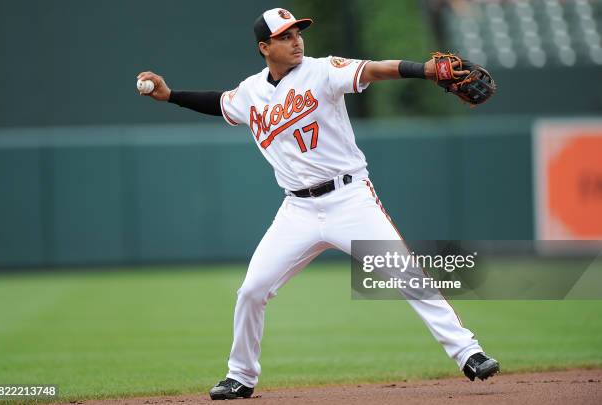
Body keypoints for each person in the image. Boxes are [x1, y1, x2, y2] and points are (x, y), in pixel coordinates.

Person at [137, 7, 500, 401]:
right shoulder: (251, 92)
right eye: (285, 36)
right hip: (298, 211)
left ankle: (469, 353)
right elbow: (218, 102)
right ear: (265, 47)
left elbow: (376, 69)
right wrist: (170, 95)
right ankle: (239, 376)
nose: (296, 41)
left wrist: (422, 70)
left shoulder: (324, 70)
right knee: (252, 291)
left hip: (350, 199)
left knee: (405, 274)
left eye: (298, 33)